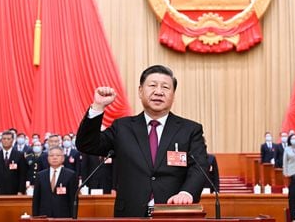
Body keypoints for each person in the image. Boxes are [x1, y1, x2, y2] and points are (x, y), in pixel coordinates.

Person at [76, 65, 208, 217]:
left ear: (173, 94)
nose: (158, 92)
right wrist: (98, 106)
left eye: (165, 87)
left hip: (173, 211)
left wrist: (187, 193)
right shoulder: (122, 127)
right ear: (140, 91)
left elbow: (200, 166)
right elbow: (86, 144)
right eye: (152, 85)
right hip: (130, 213)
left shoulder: (190, 129)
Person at [32, 146, 78, 218]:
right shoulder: (40, 175)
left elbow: (73, 199)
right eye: (51, 155)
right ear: (48, 158)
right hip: (44, 216)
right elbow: (36, 199)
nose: (54, 157)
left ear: (63, 158)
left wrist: (73, 217)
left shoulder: (71, 175)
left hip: (64, 216)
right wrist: (35, 217)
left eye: (58, 155)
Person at [0, 131, 27, 195]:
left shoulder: (19, 155)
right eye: (4, 139)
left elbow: (22, 175)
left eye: (8, 139)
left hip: (14, 190)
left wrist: (21, 191)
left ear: (12, 141)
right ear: (1, 140)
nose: (6, 141)